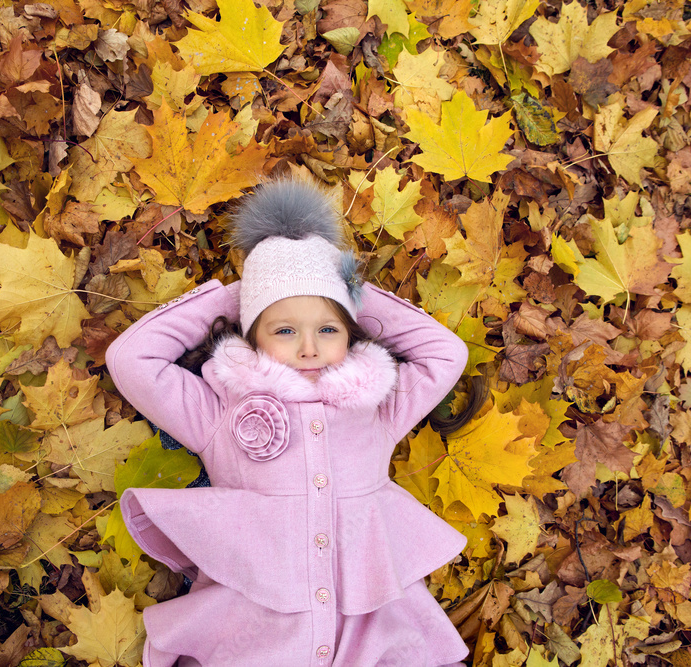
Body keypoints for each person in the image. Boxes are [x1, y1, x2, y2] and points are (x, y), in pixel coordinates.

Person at [106, 178, 474, 666]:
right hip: (257, 629)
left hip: (370, 626)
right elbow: (131, 359)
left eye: (327, 329)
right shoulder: (221, 411)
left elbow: (446, 353)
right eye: (284, 330)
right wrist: (243, 293)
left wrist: (348, 288)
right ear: (252, 335)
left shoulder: (377, 405)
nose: (309, 347)